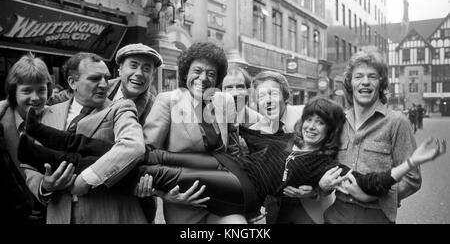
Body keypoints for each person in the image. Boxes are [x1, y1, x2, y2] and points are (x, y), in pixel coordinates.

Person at [17, 98, 447, 218]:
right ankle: (38, 140)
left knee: (154, 170)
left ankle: (46, 153)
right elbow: (232, 122)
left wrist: (413, 163)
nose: (313, 126)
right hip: (229, 166)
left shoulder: (325, 164)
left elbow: (373, 183)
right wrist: (204, 97)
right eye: (310, 119)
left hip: (245, 193)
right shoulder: (276, 139)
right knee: (147, 152)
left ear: (330, 132)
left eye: (322, 124)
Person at [22, 52, 147, 224]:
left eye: (106, 78)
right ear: (72, 82)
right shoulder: (46, 114)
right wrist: (45, 186)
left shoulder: (121, 109)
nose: (104, 84)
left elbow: (133, 145)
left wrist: (86, 178)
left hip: (111, 215)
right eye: (95, 78)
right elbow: (30, 165)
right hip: (60, 215)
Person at [142, 42, 247, 224]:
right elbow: (147, 154)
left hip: (222, 193)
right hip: (184, 200)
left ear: (217, 79)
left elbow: (233, 150)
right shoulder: (167, 101)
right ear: (186, 73)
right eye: (197, 71)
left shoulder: (226, 101)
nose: (203, 78)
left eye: (211, 74)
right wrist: (165, 194)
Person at [320, 50, 423, 224]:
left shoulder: (397, 123)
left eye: (372, 77)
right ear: (350, 83)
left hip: (375, 217)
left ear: (381, 83)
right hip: (335, 216)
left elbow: (412, 179)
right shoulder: (337, 122)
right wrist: (321, 187)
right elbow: (325, 169)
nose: (365, 82)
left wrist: (374, 196)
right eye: (358, 76)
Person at [248, 70, 331, 224]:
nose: (268, 100)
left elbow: (329, 163)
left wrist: (314, 191)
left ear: (286, 96)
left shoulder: (308, 119)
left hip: (309, 208)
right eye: (261, 96)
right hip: (273, 210)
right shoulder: (254, 132)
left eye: (273, 94)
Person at [0, 53, 53, 224]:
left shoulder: (59, 118)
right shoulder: (2, 121)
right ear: (13, 91)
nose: (35, 97)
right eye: (27, 90)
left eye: (41, 90)